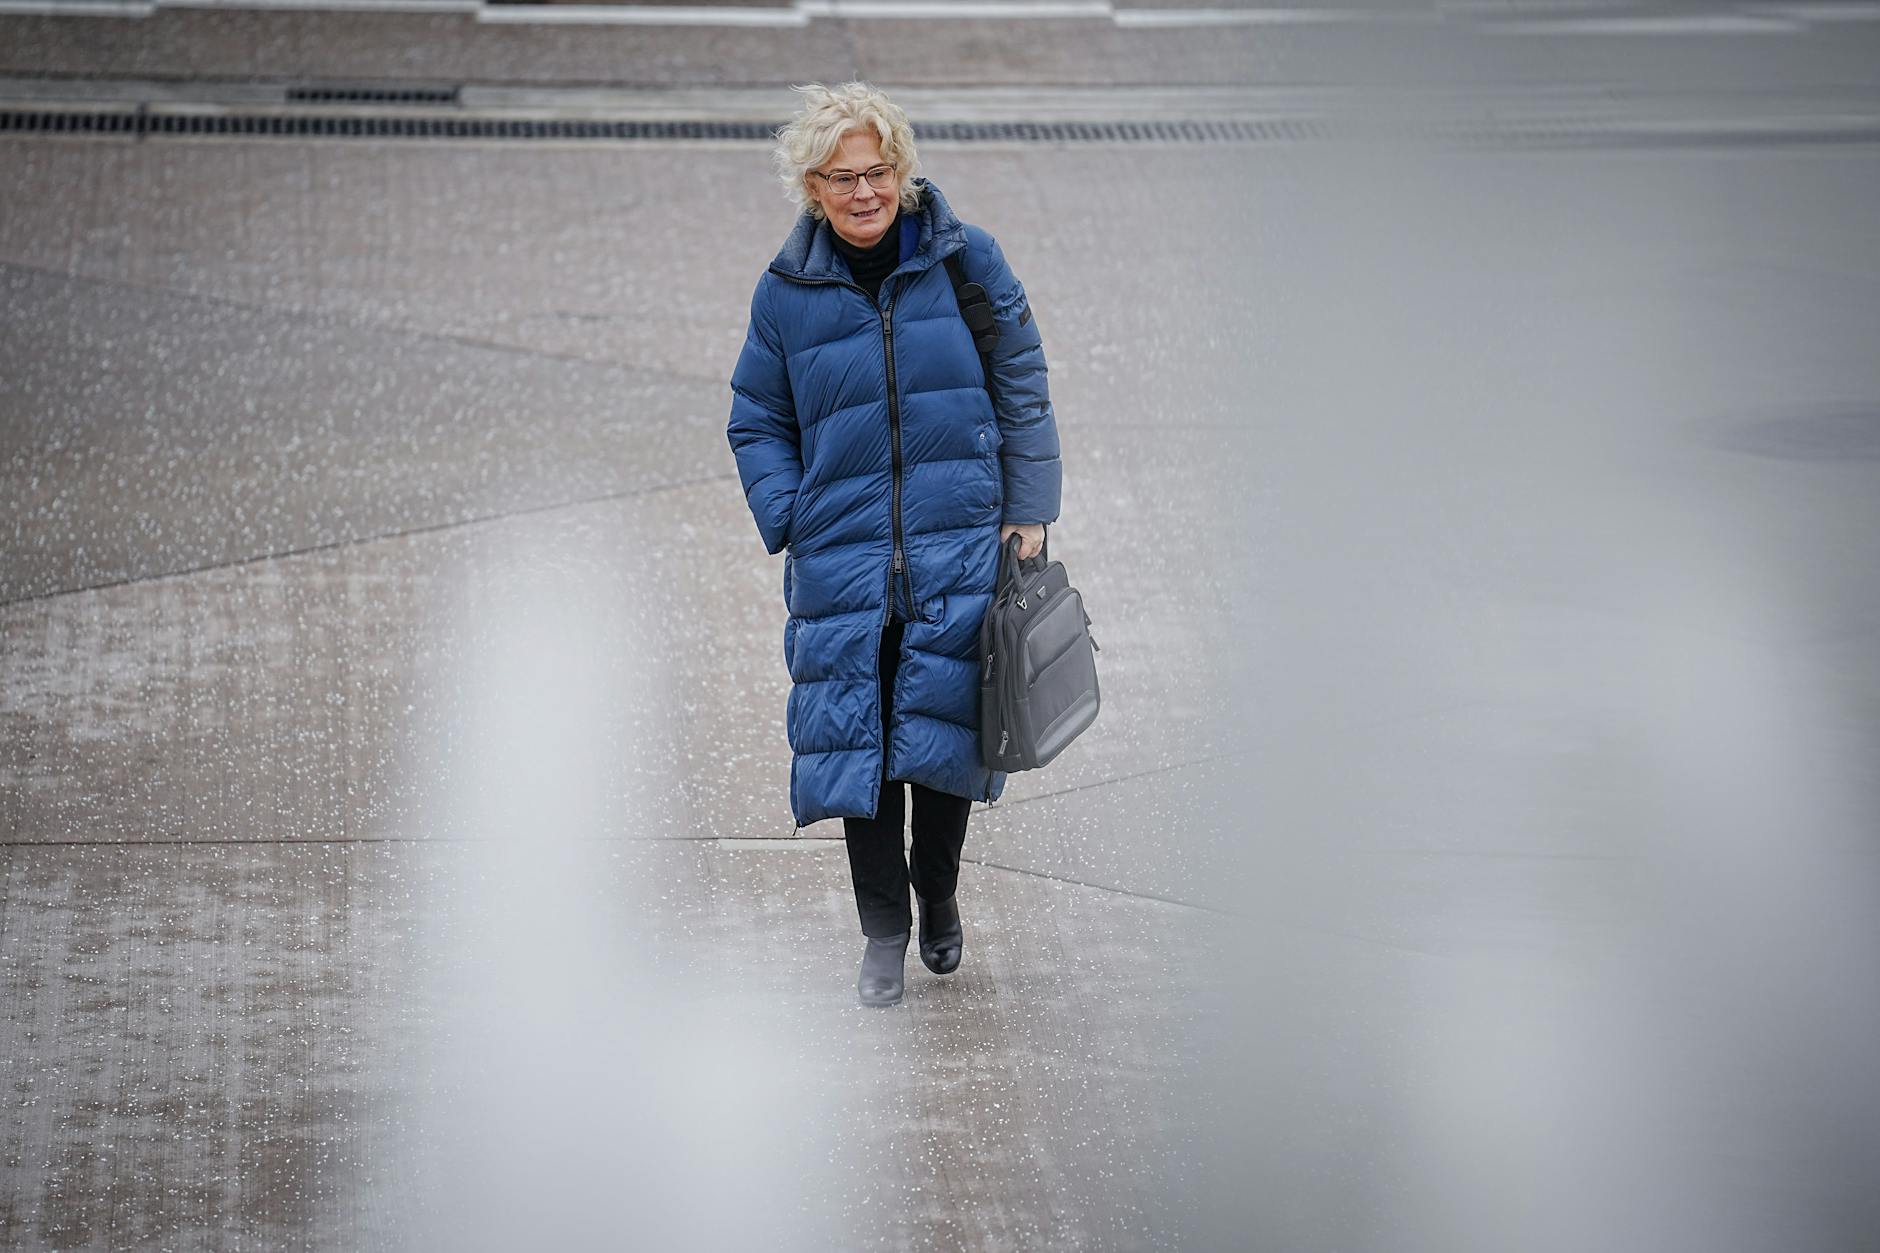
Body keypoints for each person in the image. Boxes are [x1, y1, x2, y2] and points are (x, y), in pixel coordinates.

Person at [727, 81, 1061, 1007]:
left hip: (957, 541)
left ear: (901, 169)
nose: (863, 191)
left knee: (945, 736)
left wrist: (1029, 509)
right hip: (846, 557)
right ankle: (882, 930)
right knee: (857, 747)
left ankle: (939, 893)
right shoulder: (787, 292)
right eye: (841, 177)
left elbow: (1021, 381)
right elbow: (755, 415)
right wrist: (791, 512)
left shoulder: (965, 261)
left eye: (877, 171)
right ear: (812, 187)